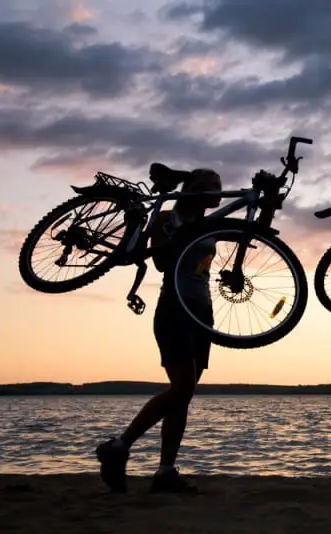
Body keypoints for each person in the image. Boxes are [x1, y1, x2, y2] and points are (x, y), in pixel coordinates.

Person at [95, 168, 222, 494]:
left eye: (218, 185)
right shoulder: (168, 216)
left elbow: (255, 231)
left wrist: (267, 197)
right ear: (189, 190)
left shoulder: (211, 224)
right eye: (206, 185)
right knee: (181, 389)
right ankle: (119, 447)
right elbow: (162, 262)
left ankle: (165, 471)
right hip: (174, 310)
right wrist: (173, 234)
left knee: (184, 396)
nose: (215, 190)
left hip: (203, 313)